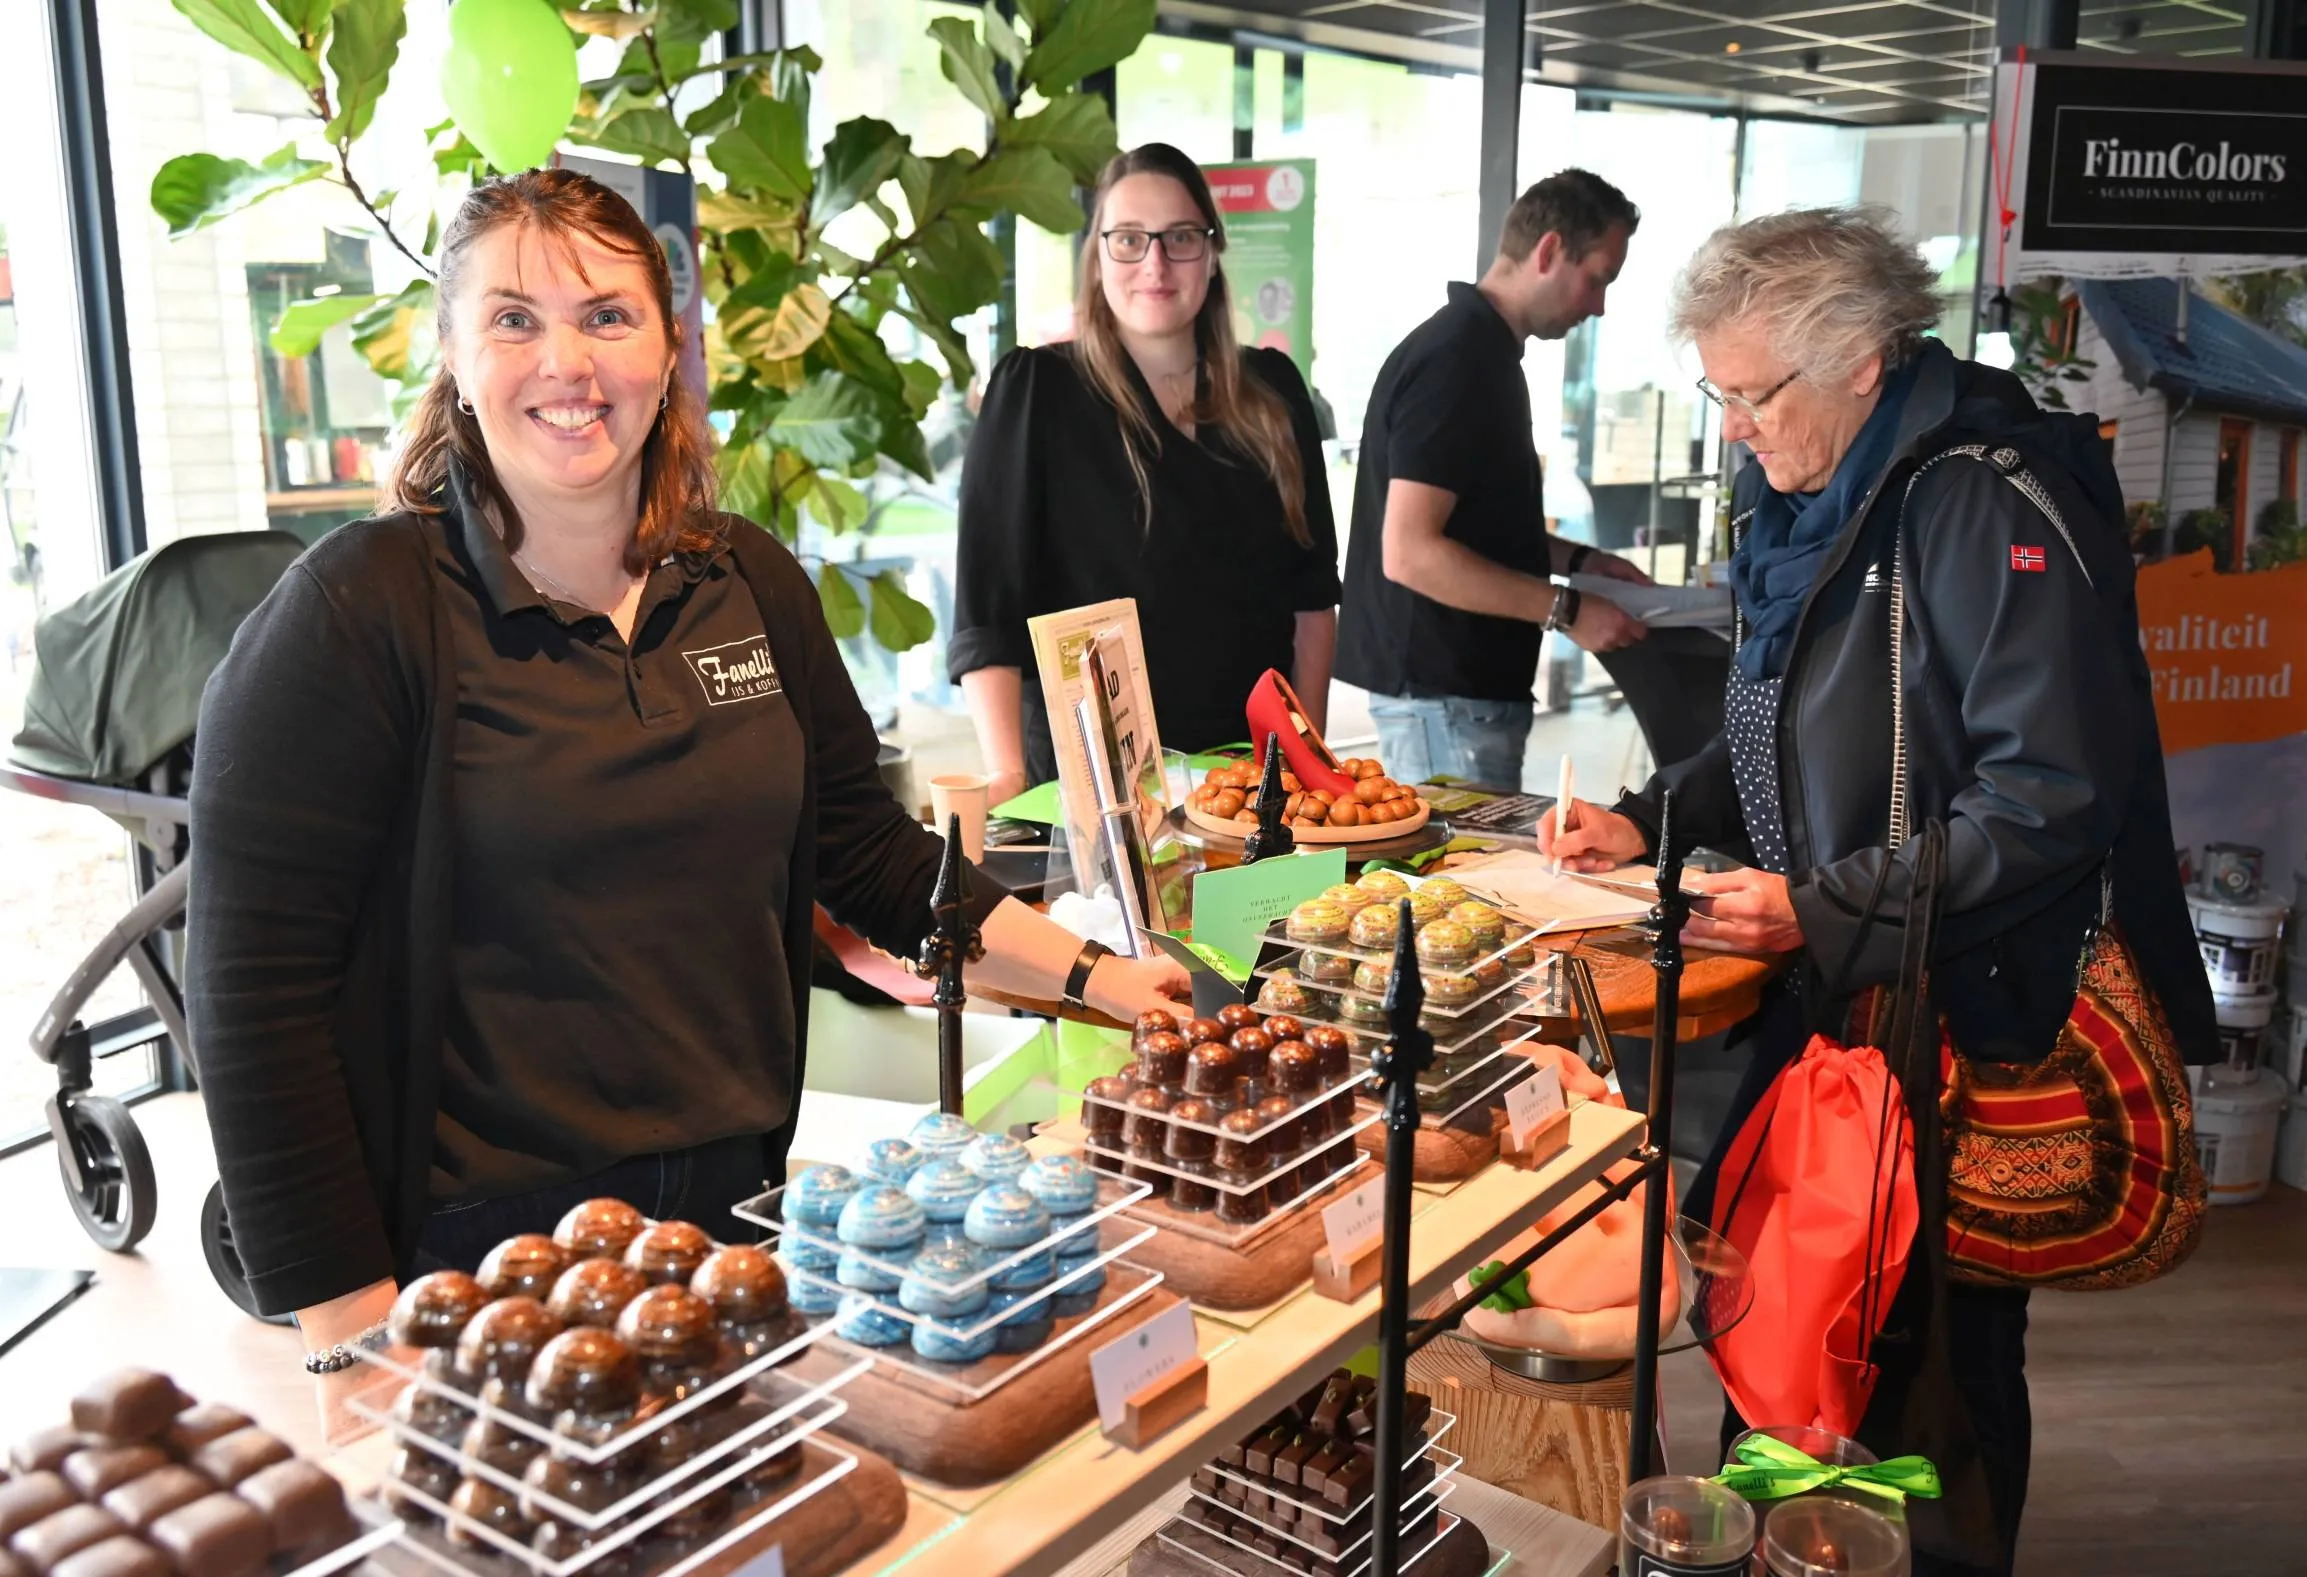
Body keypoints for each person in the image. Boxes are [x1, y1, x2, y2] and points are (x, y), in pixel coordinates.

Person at [185, 169, 1188, 1434]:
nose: (567, 359)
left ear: (669, 348)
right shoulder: (360, 610)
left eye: (607, 316)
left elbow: (870, 857)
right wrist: (350, 1337)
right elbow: (250, 994)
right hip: (484, 1263)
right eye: (513, 318)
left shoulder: (745, 580)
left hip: (735, 1227)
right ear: (452, 353)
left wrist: (1102, 978)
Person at [1538, 208, 2212, 1575]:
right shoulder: (1807, 498)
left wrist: (1819, 905)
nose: (1731, 427)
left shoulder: (1973, 497)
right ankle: (1787, 1548)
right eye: (1715, 392)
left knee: (1931, 1370)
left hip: (1956, 1009)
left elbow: (2049, 799)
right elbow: (1773, 729)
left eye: (1750, 394)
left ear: (1858, 360)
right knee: (1793, 1310)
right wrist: (1639, 819)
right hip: (1841, 992)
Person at [950, 143, 1340, 805]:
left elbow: (1311, 600)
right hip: (1098, 795)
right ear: (1097, 258)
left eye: (1180, 237)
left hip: (1249, 785)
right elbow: (988, 610)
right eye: (1129, 239)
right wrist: (1007, 777)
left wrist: (1309, 768)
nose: (1155, 263)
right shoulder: (1036, 392)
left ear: (1212, 254)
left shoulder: (1272, 392)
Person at [1334, 167, 1651, 790]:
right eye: (1598, 279)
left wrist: (1581, 560)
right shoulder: (1461, 359)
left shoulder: (1479, 353)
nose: (1599, 305)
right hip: (1444, 700)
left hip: (1453, 699)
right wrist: (1568, 609)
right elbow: (1411, 553)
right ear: (1550, 250)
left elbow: (1475, 531)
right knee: (1453, 888)